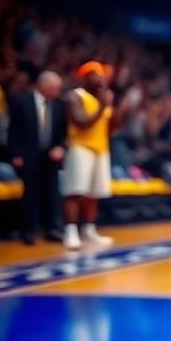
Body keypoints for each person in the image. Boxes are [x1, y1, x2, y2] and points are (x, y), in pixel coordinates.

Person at [61, 61, 119, 250]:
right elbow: (81, 122)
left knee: (93, 194)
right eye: (94, 74)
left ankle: (88, 230)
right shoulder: (75, 96)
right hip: (80, 147)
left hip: (101, 149)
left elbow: (111, 128)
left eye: (101, 74)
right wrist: (103, 106)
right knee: (75, 192)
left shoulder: (102, 99)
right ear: (84, 77)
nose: (99, 78)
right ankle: (70, 232)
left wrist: (118, 108)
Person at [7, 70, 66, 243]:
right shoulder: (21, 101)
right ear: (44, 86)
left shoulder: (58, 105)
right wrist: (15, 154)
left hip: (50, 156)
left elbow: (62, 133)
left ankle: (52, 228)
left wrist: (60, 147)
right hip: (28, 155)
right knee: (30, 194)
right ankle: (28, 230)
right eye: (56, 88)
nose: (58, 92)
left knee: (52, 193)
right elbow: (13, 131)